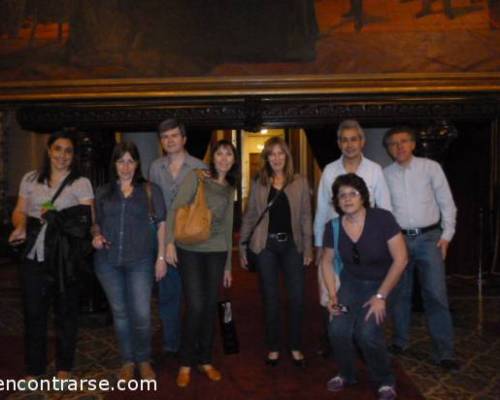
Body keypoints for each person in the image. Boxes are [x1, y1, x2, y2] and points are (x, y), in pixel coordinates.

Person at [8, 131, 94, 381]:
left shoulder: (80, 183)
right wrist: (20, 225)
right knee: (34, 312)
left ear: (73, 155)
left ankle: (64, 366)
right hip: (34, 252)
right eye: (58, 149)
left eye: (68, 151)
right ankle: (34, 368)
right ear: (49, 150)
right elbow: (20, 210)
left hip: (64, 256)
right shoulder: (31, 178)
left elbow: (88, 220)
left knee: (65, 311)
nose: (63, 156)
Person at [320, 173, 407, 400]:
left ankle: (385, 381)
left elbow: (401, 259)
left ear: (363, 197)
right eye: (342, 195)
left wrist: (381, 295)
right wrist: (332, 296)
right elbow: (326, 261)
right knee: (337, 328)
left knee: (367, 332)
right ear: (337, 202)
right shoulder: (333, 226)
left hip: (385, 283)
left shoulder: (383, 219)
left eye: (353, 194)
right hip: (352, 283)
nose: (347, 199)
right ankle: (346, 374)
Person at [383, 126, 459, 371]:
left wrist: (446, 236)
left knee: (436, 295)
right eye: (393, 143)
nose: (400, 146)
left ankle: (444, 352)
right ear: (389, 149)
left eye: (404, 141)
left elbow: (447, 203)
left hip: (429, 238)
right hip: (399, 240)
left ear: (413, 144)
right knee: (399, 295)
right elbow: (384, 211)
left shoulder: (431, 168)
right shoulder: (385, 174)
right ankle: (400, 341)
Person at [314, 119, 392, 354]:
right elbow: (321, 210)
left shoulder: (374, 170)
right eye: (344, 140)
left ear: (362, 141)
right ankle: (334, 338)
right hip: (335, 240)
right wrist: (319, 245)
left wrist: (386, 243)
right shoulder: (329, 170)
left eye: (354, 139)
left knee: (361, 292)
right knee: (331, 291)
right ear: (339, 143)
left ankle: (362, 340)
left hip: (367, 244)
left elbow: (385, 208)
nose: (349, 144)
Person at [92, 141, 167, 381]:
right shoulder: (103, 191)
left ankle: (143, 360)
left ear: (137, 164)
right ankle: (127, 360)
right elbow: (95, 222)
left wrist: (161, 258)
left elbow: (162, 224)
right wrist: (95, 235)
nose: (125, 167)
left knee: (142, 313)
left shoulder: (150, 190)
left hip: (141, 261)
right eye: (120, 161)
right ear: (114, 164)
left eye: (130, 161)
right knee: (121, 313)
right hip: (107, 261)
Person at [165, 139, 237, 388]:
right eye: (220, 153)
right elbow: (175, 208)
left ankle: (205, 359)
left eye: (229, 154)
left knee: (208, 306)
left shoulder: (229, 189)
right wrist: (169, 242)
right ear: (213, 156)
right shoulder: (197, 177)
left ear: (233, 160)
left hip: (216, 251)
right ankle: (186, 361)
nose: (224, 158)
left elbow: (228, 228)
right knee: (195, 305)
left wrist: (228, 265)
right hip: (190, 249)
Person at [240, 136, 313, 367]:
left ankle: (294, 345)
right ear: (266, 158)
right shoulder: (260, 181)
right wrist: (242, 245)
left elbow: (305, 216)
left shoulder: (299, 182)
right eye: (272, 154)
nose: (276, 158)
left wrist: (308, 247)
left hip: (293, 245)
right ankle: (273, 346)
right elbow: (251, 214)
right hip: (266, 246)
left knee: (297, 297)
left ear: (287, 156)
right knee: (270, 298)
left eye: (280, 153)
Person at [149, 118, 206, 358]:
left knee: (194, 297)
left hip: (191, 240)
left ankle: (193, 342)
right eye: (165, 137)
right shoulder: (155, 167)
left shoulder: (199, 166)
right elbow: (153, 205)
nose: (169, 141)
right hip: (162, 237)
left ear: (184, 139)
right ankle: (172, 343)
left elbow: (205, 206)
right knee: (168, 295)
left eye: (174, 135)